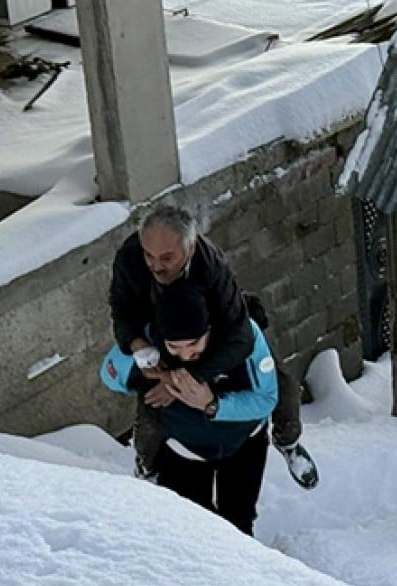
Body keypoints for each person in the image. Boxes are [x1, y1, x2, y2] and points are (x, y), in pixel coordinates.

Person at [109, 205, 319, 489]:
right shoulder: (129, 258)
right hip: (161, 333)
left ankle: (288, 440)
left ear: (190, 247)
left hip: (215, 328)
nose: (156, 266)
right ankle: (147, 466)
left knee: (281, 384)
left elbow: (240, 336)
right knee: (151, 404)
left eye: (167, 258)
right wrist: (137, 344)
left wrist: (188, 379)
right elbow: (121, 309)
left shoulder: (211, 267)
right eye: (149, 256)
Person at [100, 280, 278, 535]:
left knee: (238, 522)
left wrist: (212, 404)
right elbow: (109, 374)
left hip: (243, 443)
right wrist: (147, 363)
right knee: (194, 529)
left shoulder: (243, 336)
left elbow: (266, 398)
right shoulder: (151, 339)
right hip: (183, 450)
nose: (185, 354)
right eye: (175, 347)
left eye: (194, 344)